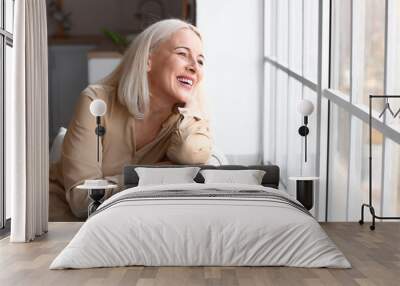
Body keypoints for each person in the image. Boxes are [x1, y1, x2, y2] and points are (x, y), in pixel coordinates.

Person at [49, 19, 213, 220]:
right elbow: (83, 201)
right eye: (182, 54)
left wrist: (194, 104)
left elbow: (193, 156)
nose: (194, 67)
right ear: (147, 60)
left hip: (125, 225)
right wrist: (153, 175)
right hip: (60, 224)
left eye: (201, 61)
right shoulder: (96, 101)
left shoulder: (187, 123)